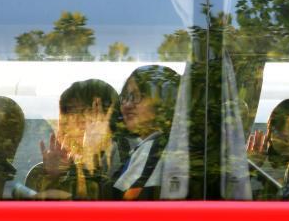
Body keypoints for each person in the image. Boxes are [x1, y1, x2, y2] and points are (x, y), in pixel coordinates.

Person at [25, 79, 119, 200]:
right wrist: (54, 177)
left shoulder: (122, 165)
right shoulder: (42, 173)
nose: (65, 122)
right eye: (65, 112)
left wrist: (89, 159)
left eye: (80, 114)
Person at [110, 65, 181, 200]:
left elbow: (126, 202)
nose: (127, 105)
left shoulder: (155, 147)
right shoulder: (146, 146)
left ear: (164, 102)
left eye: (137, 97)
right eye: (125, 97)